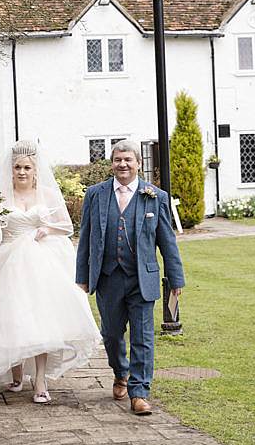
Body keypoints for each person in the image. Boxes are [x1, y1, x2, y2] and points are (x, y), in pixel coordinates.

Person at [0, 140, 101, 402]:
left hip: (41, 262)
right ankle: (16, 375)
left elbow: (67, 227)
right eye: (18, 167)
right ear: (12, 170)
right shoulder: (0, 199)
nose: (21, 172)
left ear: (35, 170)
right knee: (10, 317)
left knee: (40, 319)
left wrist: (47, 230)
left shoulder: (48, 195)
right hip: (7, 262)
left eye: (27, 168)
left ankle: (39, 379)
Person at [75, 140, 185, 415]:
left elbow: (167, 241)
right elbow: (86, 237)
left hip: (142, 278)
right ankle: (120, 372)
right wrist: (82, 276)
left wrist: (176, 279)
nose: (122, 164)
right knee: (111, 334)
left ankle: (139, 392)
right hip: (108, 277)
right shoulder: (95, 195)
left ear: (138, 163)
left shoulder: (155, 196)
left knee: (143, 336)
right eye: (117, 160)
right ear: (111, 164)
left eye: (128, 160)